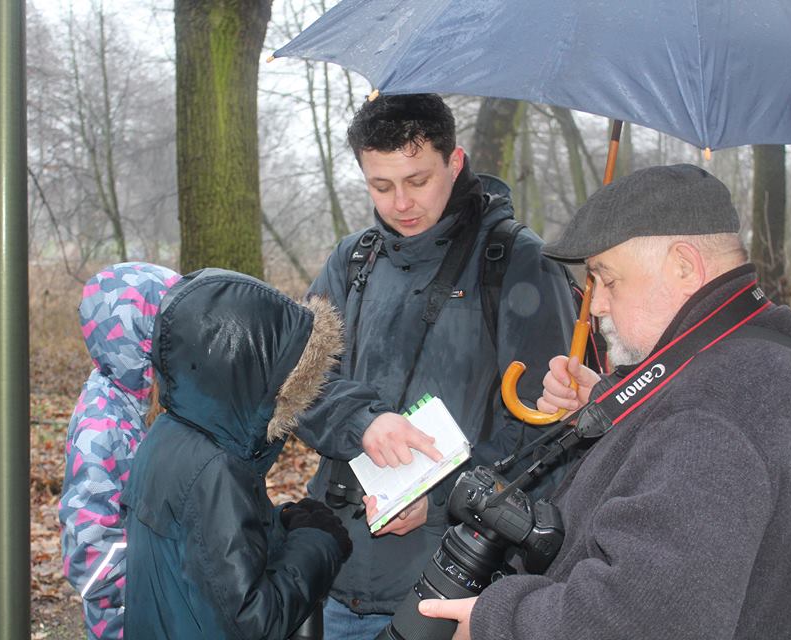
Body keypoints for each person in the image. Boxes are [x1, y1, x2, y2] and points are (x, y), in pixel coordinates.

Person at [418, 163, 791, 639]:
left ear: (684, 266)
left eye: (608, 279)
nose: (596, 304)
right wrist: (612, 403)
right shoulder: (766, 356)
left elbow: (637, 619)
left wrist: (497, 622)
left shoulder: (711, 416)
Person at [295, 93, 578, 638]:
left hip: (449, 587)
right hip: (332, 568)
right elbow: (298, 384)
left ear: (455, 161)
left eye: (417, 180)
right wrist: (364, 423)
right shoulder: (353, 261)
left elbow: (550, 437)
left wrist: (443, 502)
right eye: (381, 186)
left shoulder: (517, 263)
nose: (400, 203)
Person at [121, 268, 353, 639]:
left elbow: (202, 556)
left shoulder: (171, 435)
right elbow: (254, 621)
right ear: (249, 369)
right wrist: (318, 544)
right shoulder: (216, 470)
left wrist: (281, 525)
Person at [59, 261, 180, 640]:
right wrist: (143, 600)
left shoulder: (150, 399)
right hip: (129, 621)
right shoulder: (101, 425)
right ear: (139, 336)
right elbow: (88, 547)